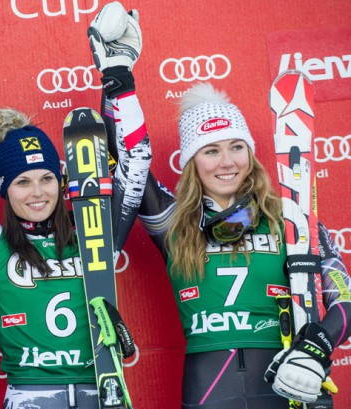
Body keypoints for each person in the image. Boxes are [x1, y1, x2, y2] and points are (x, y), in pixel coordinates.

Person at [0, 7, 150, 408]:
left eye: (46, 178)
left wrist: (121, 78)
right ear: (4, 190)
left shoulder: (96, 235)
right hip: (31, 396)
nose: (37, 192)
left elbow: (137, 162)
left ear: (61, 181)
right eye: (22, 182)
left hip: (103, 391)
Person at [125, 69, 351, 407]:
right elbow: (132, 157)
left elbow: (345, 297)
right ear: (191, 162)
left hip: (288, 378)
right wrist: (119, 79)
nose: (227, 162)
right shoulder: (174, 223)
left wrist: (316, 345)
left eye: (236, 147)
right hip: (209, 387)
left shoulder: (291, 219)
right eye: (211, 151)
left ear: (251, 154)